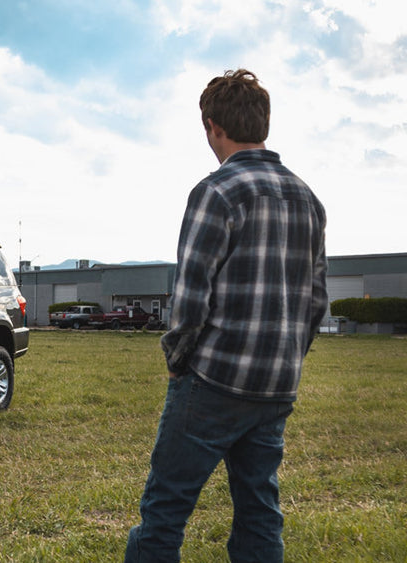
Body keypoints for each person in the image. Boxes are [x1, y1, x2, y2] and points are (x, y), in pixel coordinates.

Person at [124, 69, 328, 562]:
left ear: (213, 127)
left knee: (165, 512)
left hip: (212, 381)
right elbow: (316, 300)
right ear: (263, 122)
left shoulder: (216, 192)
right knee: (260, 513)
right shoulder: (309, 200)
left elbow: (191, 295)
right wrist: (287, 361)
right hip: (275, 386)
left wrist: (178, 362)